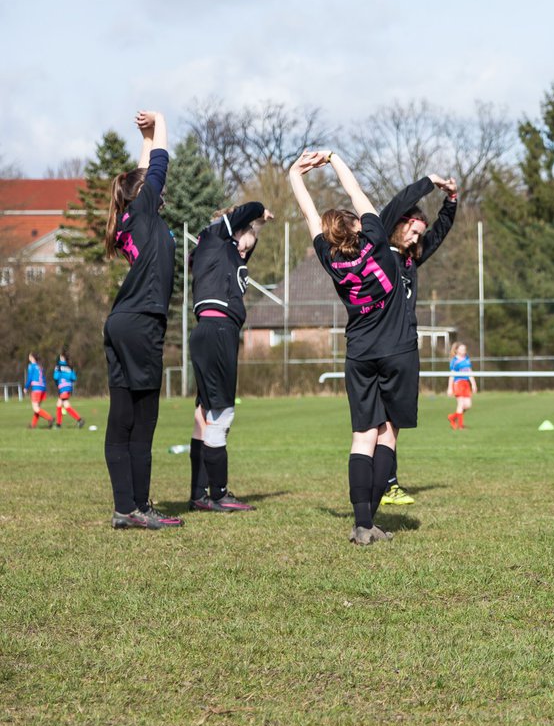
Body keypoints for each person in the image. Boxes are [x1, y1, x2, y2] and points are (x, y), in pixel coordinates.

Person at [289, 149, 419, 546]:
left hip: (359, 354)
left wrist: (294, 173)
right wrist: (334, 158)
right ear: (357, 226)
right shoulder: (378, 240)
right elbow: (357, 189)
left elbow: (310, 215)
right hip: (397, 350)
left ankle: (362, 523)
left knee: (362, 436)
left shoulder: (329, 258)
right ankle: (369, 521)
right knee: (388, 435)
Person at [102, 111, 184, 529]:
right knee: (143, 420)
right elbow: (159, 165)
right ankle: (139, 509)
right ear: (145, 194)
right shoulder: (147, 209)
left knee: (122, 416)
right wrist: (162, 123)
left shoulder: (128, 218)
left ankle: (124, 509)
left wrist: (146, 136)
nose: (161, 193)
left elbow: (141, 173)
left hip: (120, 321)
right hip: (141, 322)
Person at [187, 201, 273, 513]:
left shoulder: (227, 255)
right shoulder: (212, 239)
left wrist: (258, 225)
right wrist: (259, 210)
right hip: (218, 331)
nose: (250, 243)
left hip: (212, 332)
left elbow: (246, 241)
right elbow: (245, 212)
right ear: (236, 232)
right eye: (249, 234)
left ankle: (199, 493)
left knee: (204, 414)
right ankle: (219, 493)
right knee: (222, 416)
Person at [379, 171, 458, 504]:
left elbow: (438, 233)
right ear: (400, 224)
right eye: (412, 231)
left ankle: (387, 481)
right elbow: (397, 204)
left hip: (404, 346)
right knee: (378, 420)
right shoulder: (381, 249)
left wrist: (451, 201)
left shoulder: (411, 258)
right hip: (379, 346)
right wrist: (429, 182)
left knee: (394, 420)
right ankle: (384, 482)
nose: (415, 239)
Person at [52, 351, 84, 428]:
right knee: (63, 404)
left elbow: (55, 377)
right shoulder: (70, 366)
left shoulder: (58, 366)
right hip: (69, 387)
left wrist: (59, 379)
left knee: (62, 405)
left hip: (62, 387)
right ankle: (78, 420)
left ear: (62, 358)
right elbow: (74, 378)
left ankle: (59, 424)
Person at [447, 342, 473, 430]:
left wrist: (473, 383)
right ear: (456, 350)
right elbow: (452, 375)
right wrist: (450, 388)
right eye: (461, 349)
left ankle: (453, 417)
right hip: (458, 383)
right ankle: (460, 426)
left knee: (468, 405)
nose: (463, 351)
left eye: (464, 349)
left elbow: (469, 371)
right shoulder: (454, 361)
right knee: (460, 404)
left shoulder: (467, 359)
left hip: (466, 383)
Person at [25, 353, 52, 429]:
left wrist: (26, 387)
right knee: (38, 408)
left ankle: (49, 418)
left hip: (36, 388)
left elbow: (30, 377)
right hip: (43, 388)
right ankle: (33, 425)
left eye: (30, 356)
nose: (29, 357)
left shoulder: (31, 366)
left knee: (36, 408)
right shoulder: (40, 366)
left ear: (32, 358)